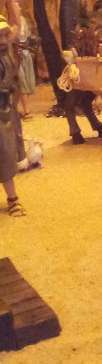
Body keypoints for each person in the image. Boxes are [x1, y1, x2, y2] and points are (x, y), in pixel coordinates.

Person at [0, 17, 26, 217]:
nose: (2, 40)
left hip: (4, 112)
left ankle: (12, 199)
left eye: (4, 35)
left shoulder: (6, 55)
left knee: (6, 154)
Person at [7, 0, 35, 118]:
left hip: (25, 54)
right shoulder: (8, 23)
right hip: (14, 55)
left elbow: (28, 36)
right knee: (21, 81)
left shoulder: (23, 20)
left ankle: (17, 108)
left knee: (27, 81)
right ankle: (25, 109)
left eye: (17, 5)